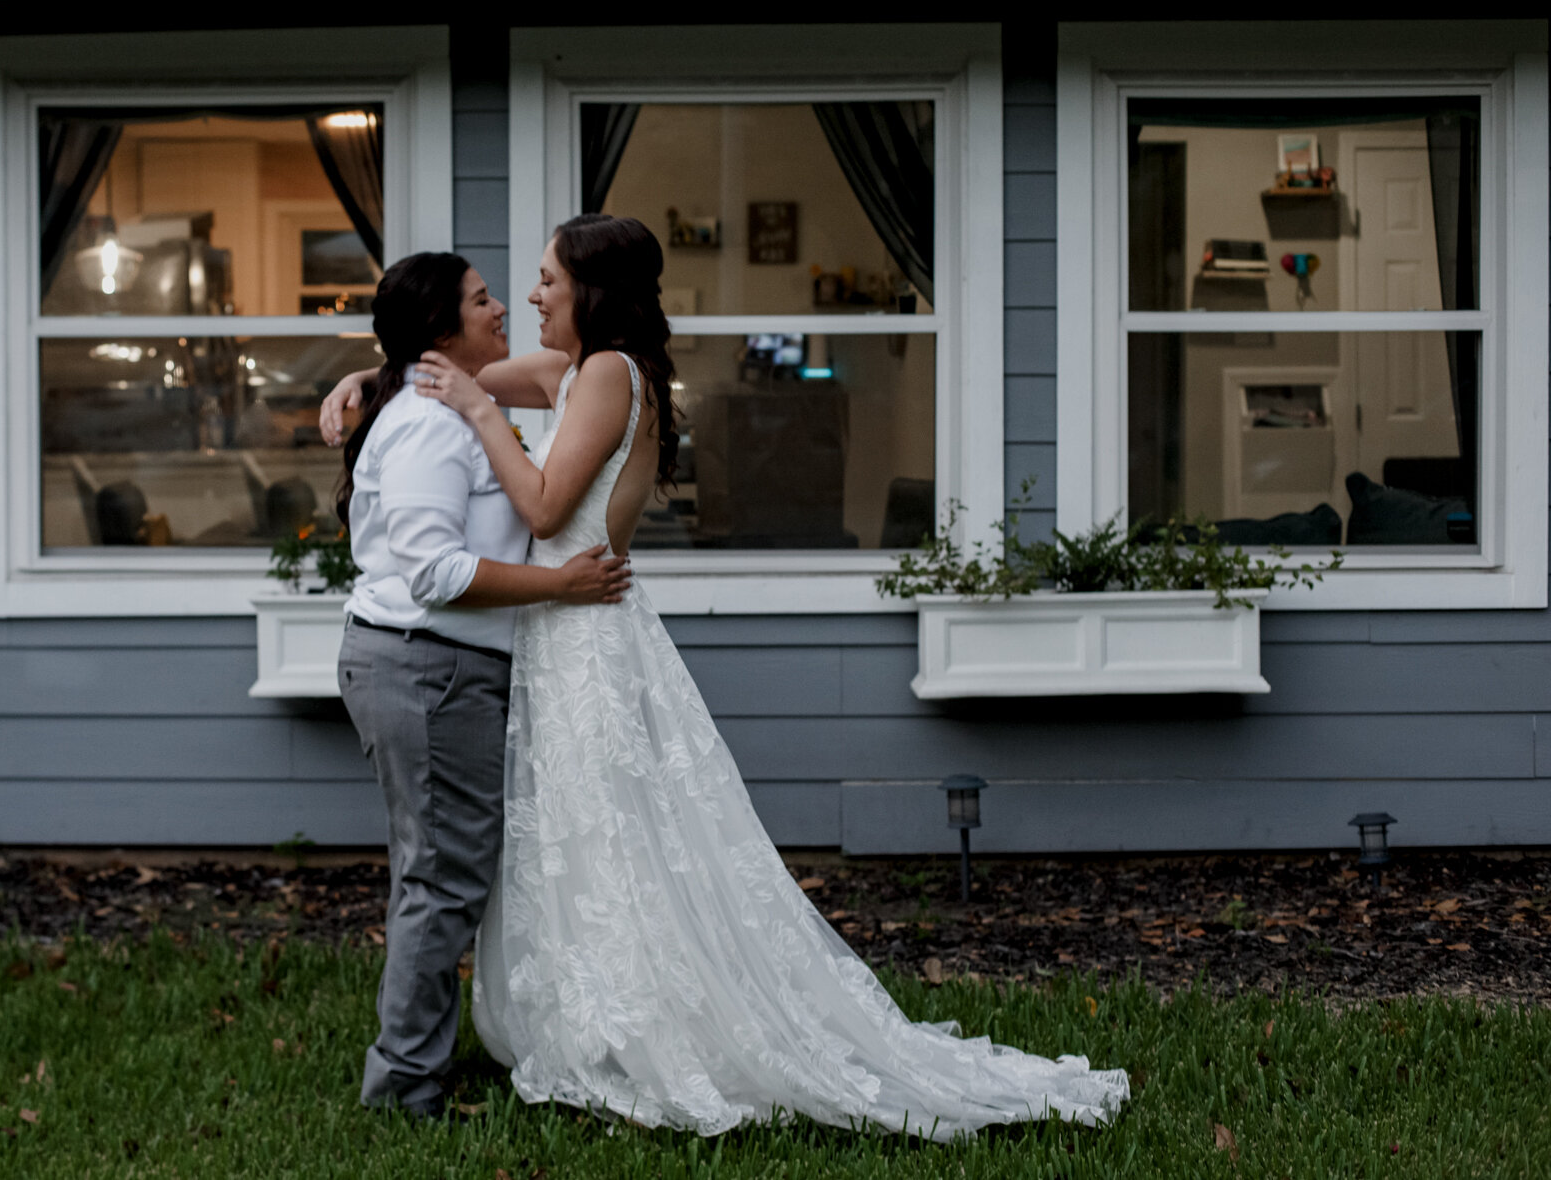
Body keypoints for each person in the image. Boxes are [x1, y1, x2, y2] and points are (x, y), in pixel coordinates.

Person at [333, 216, 1130, 1138]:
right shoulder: (578, 372)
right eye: (517, 285)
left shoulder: (605, 375)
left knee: (613, 837)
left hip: (580, 623)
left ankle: (646, 1024)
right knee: (581, 842)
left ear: (592, 289)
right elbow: (454, 374)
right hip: (556, 635)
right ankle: (593, 1015)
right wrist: (373, 375)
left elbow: (545, 503)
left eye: (548, 278)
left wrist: (476, 414)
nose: (532, 294)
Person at [332, 250, 632, 1120]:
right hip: (426, 664)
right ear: (441, 330)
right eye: (481, 299)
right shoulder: (431, 423)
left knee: (440, 869)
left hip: (441, 664)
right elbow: (433, 570)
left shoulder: (459, 405)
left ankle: (416, 1059)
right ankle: (404, 1084)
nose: (501, 306)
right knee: (443, 877)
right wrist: (560, 586)